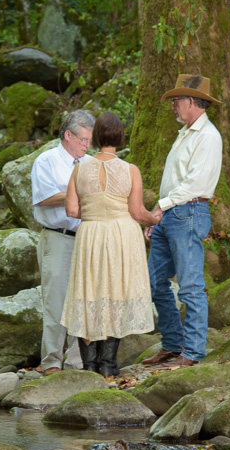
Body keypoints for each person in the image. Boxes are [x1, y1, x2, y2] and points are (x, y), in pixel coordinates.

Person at [60, 112, 162, 377]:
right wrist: (154, 218)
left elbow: (71, 210)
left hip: (91, 234)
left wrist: (95, 213)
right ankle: (109, 366)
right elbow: (138, 213)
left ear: (95, 138)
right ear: (119, 137)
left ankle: (89, 367)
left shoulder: (79, 168)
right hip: (120, 234)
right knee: (116, 290)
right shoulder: (130, 170)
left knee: (89, 292)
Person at [142, 74, 222, 369]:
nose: (173, 105)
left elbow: (193, 184)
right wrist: (159, 214)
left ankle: (192, 352)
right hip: (172, 212)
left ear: (191, 101)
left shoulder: (208, 136)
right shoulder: (185, 132)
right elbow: (175, 182)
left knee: (189, 287)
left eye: (177, 100)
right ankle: (172, 345)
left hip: (188, 212)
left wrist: (158, 208)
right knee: (154, 282)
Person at [31, 109, 95, 374]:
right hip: (58, 238)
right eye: (83, 140)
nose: (87, 145)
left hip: (87, 238)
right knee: (56, 302)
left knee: (83, 301)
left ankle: (77, 362)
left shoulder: (91, 163)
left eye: (90, 141)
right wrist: (78, 192)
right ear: (68, 135)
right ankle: (51, 363)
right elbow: (44, 197)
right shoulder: (46, 161)